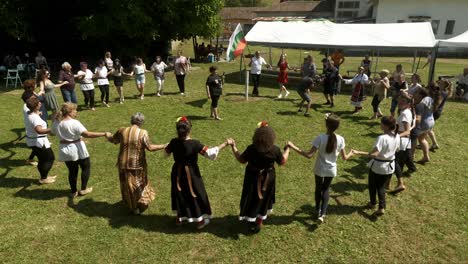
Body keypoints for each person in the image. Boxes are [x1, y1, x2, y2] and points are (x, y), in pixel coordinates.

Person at [287, 114, 353, 223]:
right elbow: (345, 157)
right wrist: (351, 153)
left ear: (326, 125)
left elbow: (309, 155)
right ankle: (323, 214)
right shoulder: (341, 139)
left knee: (318, 188)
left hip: (319, 168)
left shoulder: (320, 138)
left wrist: (293, 146)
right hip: (331, 170)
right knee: (326, 189)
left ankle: (317, 210)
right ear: (337, 126)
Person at [164, 116, 229, 229]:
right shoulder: (194, 144)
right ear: (189, 130)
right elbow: (210, 154)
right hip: (192, 174)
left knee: (179, 193)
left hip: (177, 173)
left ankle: (179, 219)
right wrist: (224, 144)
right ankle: (199, 222)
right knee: (196, 194)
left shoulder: (173, 142)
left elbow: (166, 153)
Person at [227, 121, 289, 233]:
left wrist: (233, 147)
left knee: (252, 197)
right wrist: (287, 149)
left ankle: (251, 219)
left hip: (252, 177)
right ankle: (258, 220)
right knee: (264, 198)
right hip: (268, 178)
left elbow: (241, 160)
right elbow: (282, 161)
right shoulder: (274, 149)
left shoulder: (251, 148)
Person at [107, 112, 167, 214]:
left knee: (126, 185)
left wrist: (107, 135)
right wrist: (164, 145)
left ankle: (131, 204)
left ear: (132, 120)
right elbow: (150, 147)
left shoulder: (122, 130)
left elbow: (113, 140)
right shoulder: (143, 132)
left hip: (122, 163)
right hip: (136, 164)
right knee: (137, 184)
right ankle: (137, 206)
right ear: (141, 122)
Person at [52, 103, 110, 197]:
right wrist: (104, 134)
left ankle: (73, 191)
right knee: (85, 167)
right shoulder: (74, 123)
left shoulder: (56, 123)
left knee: (72, 171)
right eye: (74, 110)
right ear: (70, 112)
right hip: (77, 148)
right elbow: (87, 134)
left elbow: (52, 132)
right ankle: (83, 189)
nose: (76, 111)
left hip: (65, 149)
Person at [352, 116, 400, 216]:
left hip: (379, 166)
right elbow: (397, 149)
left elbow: (374, 154)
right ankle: (381, 206)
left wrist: (358, 152)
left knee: (372, 185)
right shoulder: (397, 136)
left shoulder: (382, 138)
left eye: (381, 123)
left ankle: (373, 203)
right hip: (390, 166)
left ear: (386, 126)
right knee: (381, 187)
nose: (380, 125)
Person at [24, 97, 56, 184]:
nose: (40, 104)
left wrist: (37, 113)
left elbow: (32, 116)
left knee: (42, 160)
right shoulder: (35, 118)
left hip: (32, 140)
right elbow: (39, 130)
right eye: (39, 103)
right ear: (35, 106)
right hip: (39, 142)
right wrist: (52, 129)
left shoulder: (28, 113)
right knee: (49, 159)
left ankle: (44, 176)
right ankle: (43, 178)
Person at [391, 95, 417, 193]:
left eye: (403, 101)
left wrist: (395, 137)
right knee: (401, 161)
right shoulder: (406, 112)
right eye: (400, 100)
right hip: (405, 141)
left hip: (402, 141)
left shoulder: (405, 113)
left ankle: (400, 183)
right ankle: (389, 183)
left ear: (408, 104)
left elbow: (407, 131)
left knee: (394, 162)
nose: (400, 102)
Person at [21, 79, 41, 166]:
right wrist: (36, 113)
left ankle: (30, 158)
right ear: (31, 86)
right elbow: (31, 106)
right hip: (31, 116)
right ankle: (31, 159)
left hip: (32, 114)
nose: (36, 85)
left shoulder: (30, 93)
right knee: (36, 141)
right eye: (35, 84)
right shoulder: (28, 96)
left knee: (37, 142)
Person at [413, 87, 434, 164]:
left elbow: (418, 116)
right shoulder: (429, 98)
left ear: (421, 95)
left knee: (414, 138)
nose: (414, 94)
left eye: (416, 93)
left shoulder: (420, 103)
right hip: (430, 121)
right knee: (422, 139)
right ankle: (426, 157)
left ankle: (411, 156)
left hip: (423, 123)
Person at [428, 79, 450, 151]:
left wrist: (431, 109)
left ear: (444, 85)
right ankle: (434, 144)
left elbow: (438, 103)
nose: (439, 82)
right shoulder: (442, 91)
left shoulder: (442, 92)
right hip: (437, 111)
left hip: (435, 112)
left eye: (441, 82)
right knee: (428, 128)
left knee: (427, 128)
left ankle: (434, 143)